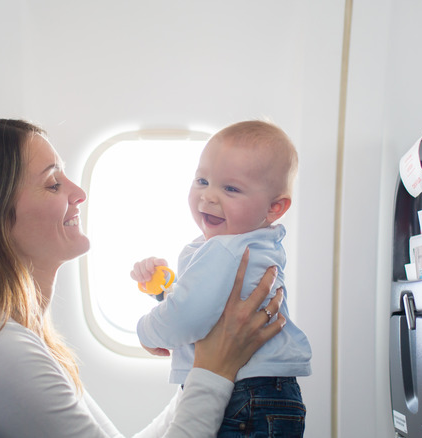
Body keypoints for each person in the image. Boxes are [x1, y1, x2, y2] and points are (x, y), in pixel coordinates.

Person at [0, 119, 287, 437]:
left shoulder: (22, 338)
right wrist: (214, 368)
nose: (78, 192)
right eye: (53, 183)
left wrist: (210, 356)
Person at [131, 120, 312, 436]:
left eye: (230, 188)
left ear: (274, 207)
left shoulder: (225, 250)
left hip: (245, 395)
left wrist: (146, 332)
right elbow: (212, 306)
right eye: (202, 180)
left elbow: (188, 317)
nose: (208, 197)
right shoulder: (252, 244)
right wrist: (164, 291)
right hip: (269, 395)